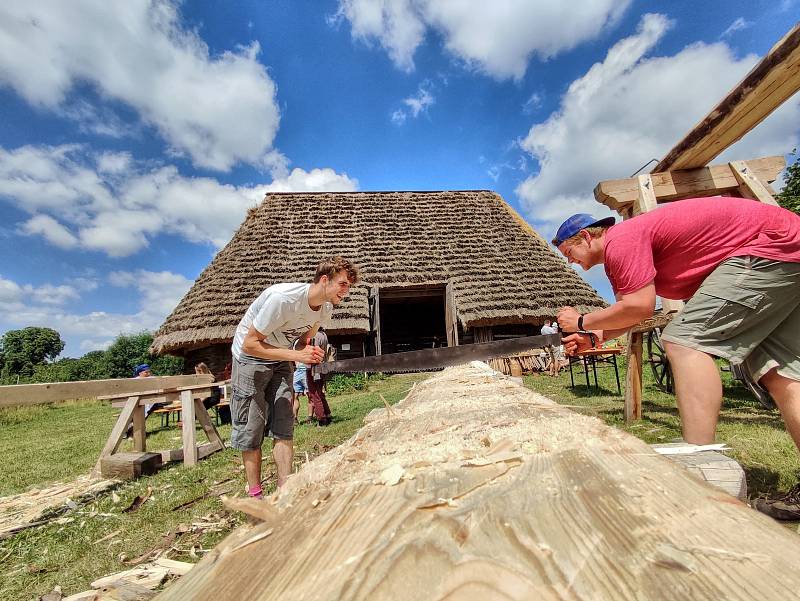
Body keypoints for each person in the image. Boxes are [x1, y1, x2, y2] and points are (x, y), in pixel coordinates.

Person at [552, 196, 800, 520]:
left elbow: (638, 306)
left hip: (770, 247)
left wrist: (582, 321)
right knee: (782, 377)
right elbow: (630, 315)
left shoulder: (621, 240)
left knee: (684, 343)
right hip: (786, 249)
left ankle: (701, 464)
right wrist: (596, 336)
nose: (571, 262)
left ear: (586, 236)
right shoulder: (623, 252)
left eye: (569, 253)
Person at [230, 257, 359, 498]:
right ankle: (256, 496)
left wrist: (309, 352)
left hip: (280, 360)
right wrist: (295, 354)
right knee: (252, 427)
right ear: (324, 280)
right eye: (342, 284)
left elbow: (302, 340)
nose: (347, 290)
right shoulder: (283, 300)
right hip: (250, 360)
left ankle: (285, 491)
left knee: (284, 423)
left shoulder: (326, 308)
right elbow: (250, 344)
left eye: (349, 286)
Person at [306, 327, 331, 425]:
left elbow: (314, 352)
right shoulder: (323, 334)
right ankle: (327, 414)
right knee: (320, 393)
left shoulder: (315, 335)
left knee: (314, 393)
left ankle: (321, 418)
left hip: (314, 367)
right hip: (322, 366)